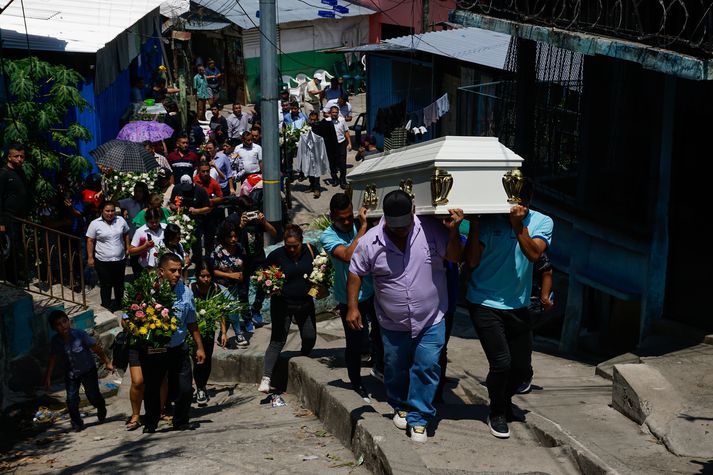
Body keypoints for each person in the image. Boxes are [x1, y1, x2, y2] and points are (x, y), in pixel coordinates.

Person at [347, 190, 464, 443]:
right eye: (395, 226)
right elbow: (355, 272)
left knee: (427, 365)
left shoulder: (431, 230)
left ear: (414, 213)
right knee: (395, 368)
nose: (402, 231)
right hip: (392, 322)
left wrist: (454, 231)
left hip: (431, 318)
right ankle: (400, 404)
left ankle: (419, 417)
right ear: (386, 219)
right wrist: (353, 307)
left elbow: (454, 257)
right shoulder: (370, 242)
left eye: (406, 226)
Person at [463, 183, 553, 439]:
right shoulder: (490, 220)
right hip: (484, 301)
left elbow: (535, 255)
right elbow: (471, 261)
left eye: (522, 201)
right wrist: (476, 224)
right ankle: (497, 412)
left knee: (522, 370)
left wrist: (517, 226)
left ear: (530, 199)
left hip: (518, 304)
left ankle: (502, 399)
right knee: (501, 363)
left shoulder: (543, 222)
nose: (517, 206)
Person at [320, 194, 381, 402]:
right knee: (355, 344)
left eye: (349, 217)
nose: (346, 222)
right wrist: (363, 228)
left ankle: (379, 369)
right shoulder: (327, 236)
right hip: (349, 299)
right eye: (341, 219)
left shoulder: (359, 223)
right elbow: (347, 255)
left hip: (374, 292)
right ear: (332, 216)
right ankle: (356, 382)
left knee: (382, 335)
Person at [140, 252, 206, 433]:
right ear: (162, 271)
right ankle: (151, 422)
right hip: (157, 350)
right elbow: (131, 317)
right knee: (153, 388)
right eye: (173, 270)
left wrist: (199, 347)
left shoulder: (186, 292)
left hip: (179, 347)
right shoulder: (150, 292)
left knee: (185, 389)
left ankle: (181, 420)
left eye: (179, 270)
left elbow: (192, 321)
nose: (177, 274)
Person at [258, 225, 318, 393]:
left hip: (305, 304)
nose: (291, 249)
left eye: (295, 245)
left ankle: (304, 357)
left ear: (302, 242)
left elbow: (321, 271)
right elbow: (262, 278)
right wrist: (270, 288)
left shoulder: (311, 251)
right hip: (282, 305)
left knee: (309, 336)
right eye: (288, 245)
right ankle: (266, 378)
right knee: (277, 340)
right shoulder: (276, 256)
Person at [44, 310, 112, 432]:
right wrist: (48, 377)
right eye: (58, 324)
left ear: (68, 321)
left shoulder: (80, 334)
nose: (63, 325)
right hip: (71, 374)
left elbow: (96, 348)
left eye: (64, 321)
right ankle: (77, 422)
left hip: (88, 370)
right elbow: (52, 358)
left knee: (93, 395)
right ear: (54, 328)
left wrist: (107, 361)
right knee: (71, 400)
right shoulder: (56, 341)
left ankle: (101, 406)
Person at [226, 196, 278, 328]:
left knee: (265, 283)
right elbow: (228, 241)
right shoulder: (232, 220)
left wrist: (264, 222)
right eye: (247, 211)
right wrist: (241, 226)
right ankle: (247, 317)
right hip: (242, 261)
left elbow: (274, 233)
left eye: (252, 210)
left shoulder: (257, 220)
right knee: (243, 292)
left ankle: (256, 308)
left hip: (259, 258)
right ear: (239, 209)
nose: (250, 214)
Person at [517, 251, 554, 395]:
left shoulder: (533, 247)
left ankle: (524, 376)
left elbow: (547, 271)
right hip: (508, 299)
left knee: (522, 341)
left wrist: (544, 297)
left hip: (530, 302)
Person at [190, 259, 226, 406]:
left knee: (208, 359)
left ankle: (202, 384)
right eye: (202, 276)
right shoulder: (190, 289)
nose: (205, 279)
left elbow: (221, 311)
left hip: (209, 330)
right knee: (198, 359)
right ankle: (199, 388)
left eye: (208, 276)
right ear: (197, 276)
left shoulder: (216, 289)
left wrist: (223, 332)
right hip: (193, 330)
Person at [210, 221, 249, 347]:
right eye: (230, 236)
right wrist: (230, 275)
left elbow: (243, 264)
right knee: (233, 307)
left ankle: (222, 335)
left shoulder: (240, 248)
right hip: (220, 284)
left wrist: (240, 274)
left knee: (227, 311)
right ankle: (238, 334)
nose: (233, 239)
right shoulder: (218, 251)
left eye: (235, 236)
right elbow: (213, 271)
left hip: (235, 285)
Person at [86, 201, 130, 312]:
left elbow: (126, 233)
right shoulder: (95, 224)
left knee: (119, 283)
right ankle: (106, 306)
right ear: (102, 211)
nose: (110, 213)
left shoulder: (121, 221)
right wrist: (90, 257)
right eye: (107, 211)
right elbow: (90, 240)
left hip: (119, 259)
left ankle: (119, 304)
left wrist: (127, 247)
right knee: (106, 284)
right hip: (103, 260)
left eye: (112, 211)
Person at [0, 143, 30, 284]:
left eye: (22, 156)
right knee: (9, 248)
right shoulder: (3, 173)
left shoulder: (20, 172)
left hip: (19, 218)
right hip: (8, 218)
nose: (20, 159)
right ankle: (10, 277)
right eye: (16, 156)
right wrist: (0, 222)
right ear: (9, 157)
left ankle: (17, 274)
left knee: (18, 247)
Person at [170, 174, 211, 264]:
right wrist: (176, 207)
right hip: (180, 222)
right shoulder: (177, 188)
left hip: (196, 223)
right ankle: (182, 263)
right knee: (182, 244)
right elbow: (171, 203)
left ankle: (198, 264)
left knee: (196, 245)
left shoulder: (200, 191)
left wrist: (197, 210)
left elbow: (208, 208)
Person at [119, 182, 150, 277]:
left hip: (148, 238)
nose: (137, 193)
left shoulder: (148, 203)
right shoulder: (128, 201)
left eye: (140, 191)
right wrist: (117, 191)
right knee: (136, 266)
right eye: (135, 191)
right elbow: (112, 203)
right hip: (134, 239)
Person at [295, 112, 329, 199]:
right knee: (309, 169)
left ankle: (317, 188)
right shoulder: (305, 128)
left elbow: (321, 140)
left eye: (314, 120)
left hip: (316, 153)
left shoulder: (319, 128)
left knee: (316, 171)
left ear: (317, 119)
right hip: (308, 153)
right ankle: (311, 186)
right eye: (311, 119)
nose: (312, 121)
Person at [129, 208, 166, 272]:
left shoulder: (165, 228)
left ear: (160, 218)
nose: (154, 224)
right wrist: (145, 246)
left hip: (165, 265)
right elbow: (131, 251)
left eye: (156, 221)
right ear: (146, 220)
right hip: (147, 267)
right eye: (151, 222)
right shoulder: (140, 231)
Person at [329, 105, 351, 189]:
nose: (335, 114)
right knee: (332, 163)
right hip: (331, 145)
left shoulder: (342, 120)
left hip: (341, 143)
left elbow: (346, 132)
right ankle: (334, 178)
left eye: (336, 112)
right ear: (330, 113)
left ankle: (343, 180)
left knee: (342, 163)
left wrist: (349, 143)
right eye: (333, 112)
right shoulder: (327, 121)